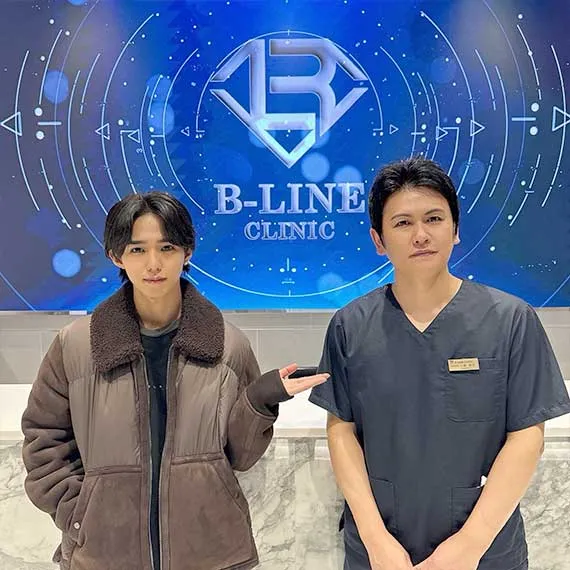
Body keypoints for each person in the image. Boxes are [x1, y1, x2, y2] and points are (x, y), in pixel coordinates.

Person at [21, 191, 329, 570]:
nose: (154, 263)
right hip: (105, 554)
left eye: (167, 247)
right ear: (116, 256)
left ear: (187, 252)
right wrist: (81, 515)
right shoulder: (76, 346)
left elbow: (240, 457)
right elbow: (44, 439)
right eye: (137, 249)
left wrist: (260, 400)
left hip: (210, 553)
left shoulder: (228, 345)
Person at [309, 156, 570, 570]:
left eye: (434, 218)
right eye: (402, 223)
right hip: (382, 551)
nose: (421, 235)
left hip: (484, 552)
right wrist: (376, 541)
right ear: (378, 240)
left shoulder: (510, 320)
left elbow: (527, 436)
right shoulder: (350, 326)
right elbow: (341, 430)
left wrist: (469, 545)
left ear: (455, 229)